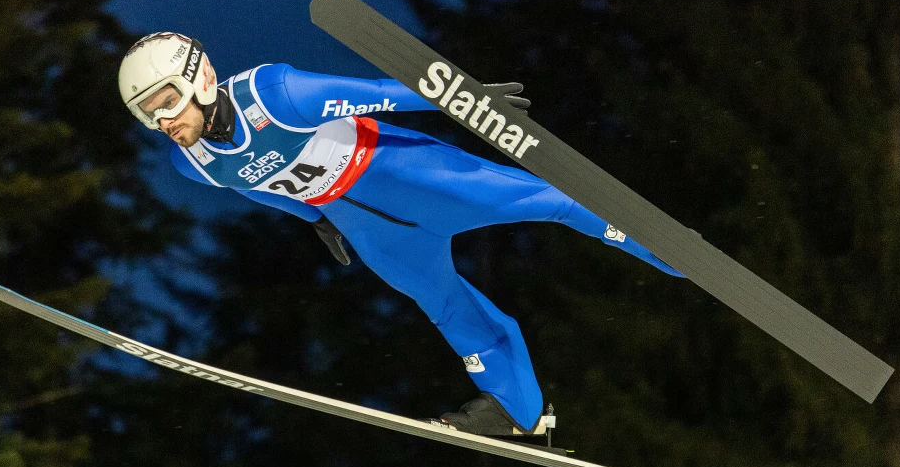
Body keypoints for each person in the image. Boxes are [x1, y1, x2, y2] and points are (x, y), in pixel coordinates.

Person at [118, 33, 681, 437]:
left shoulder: (277, 94)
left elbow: (379, 93)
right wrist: (315, 221)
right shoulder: (193, 163)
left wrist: (468, 101)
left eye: (166, 100)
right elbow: (252, 186)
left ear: (203, 79)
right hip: (368, 227)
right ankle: (518, 410)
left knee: (548, 200)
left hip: (403, 174)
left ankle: (667, 251)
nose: (163, 121)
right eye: (148, 114)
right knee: (442, 302)